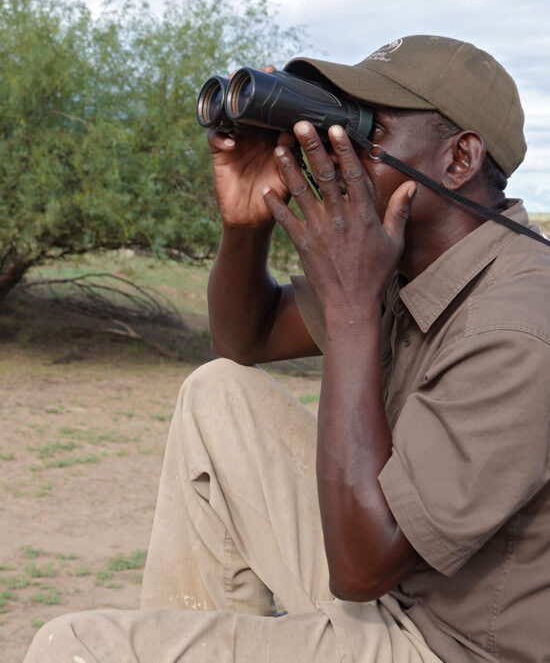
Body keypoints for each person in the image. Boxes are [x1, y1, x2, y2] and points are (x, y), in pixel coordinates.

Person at [24, 35, 550, 663]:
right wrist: (245, 225)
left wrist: (352, 304)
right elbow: (245, 337)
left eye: (366, 131)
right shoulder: (407, 261)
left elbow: (361, 571)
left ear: (459, 159)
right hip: (390, 582)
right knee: (218, 393)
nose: (334, 151)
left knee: (74, 646)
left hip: (444, 643)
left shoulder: (519, 324)